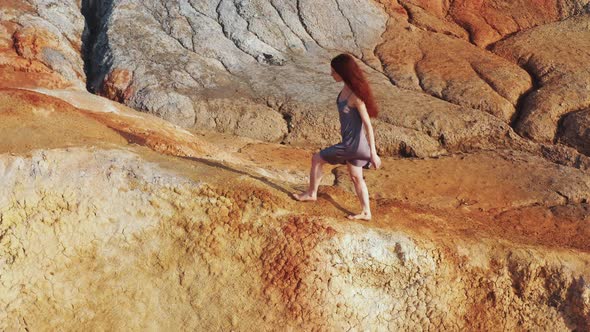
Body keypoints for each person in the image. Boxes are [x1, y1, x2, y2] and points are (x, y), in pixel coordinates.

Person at [293, 53, 381, 221]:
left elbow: (368, 125)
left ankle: (311, 193)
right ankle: (366, 212)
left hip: (351, 146)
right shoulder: (346, 90)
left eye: (334, 71)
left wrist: (374, 154)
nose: (331, 74)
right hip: (356, 146)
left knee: (316, 159)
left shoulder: (355, 96)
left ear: (343, 72)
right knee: (356, 177)